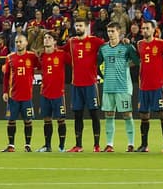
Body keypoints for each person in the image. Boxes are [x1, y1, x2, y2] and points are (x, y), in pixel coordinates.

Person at [97, 25, 138, 152]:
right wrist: (104, 76)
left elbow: (137, 61)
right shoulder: (103, 48)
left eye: (112, 31)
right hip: (108, 87)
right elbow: (97, 64)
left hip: (123, 87)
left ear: (119, 32)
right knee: (109, 115)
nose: (110, 34)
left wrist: (125, 66)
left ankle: (131, 144)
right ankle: (109, 144)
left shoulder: (126, 47)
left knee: (127, 114)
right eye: (108, 31)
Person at [66, 19, 103, 152]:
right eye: (76, 25)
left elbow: (108, 46)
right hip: (76, 84)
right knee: (77, 115)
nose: (78, 27)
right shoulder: (71, 42)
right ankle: (78, 145)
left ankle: (97, 145)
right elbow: (61, 51)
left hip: (90, 84)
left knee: (94, 114)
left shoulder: (94, 41)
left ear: (87, 27)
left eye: (81, 25)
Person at [135, 22, 163, 152]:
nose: (144, 30)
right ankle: (144, 145)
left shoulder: (161, 43)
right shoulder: (139, 44)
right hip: (144, 85)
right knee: (144, 115)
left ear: (153, 30)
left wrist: (160, 64)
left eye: (147, 28)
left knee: (162, 113)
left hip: (157, 85)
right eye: (143, 28)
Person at [1, 34, 37, 152]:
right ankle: (11, 146)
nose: (18, 44)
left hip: (27, 95)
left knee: (28, 120)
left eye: (20, 42)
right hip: (13, 96)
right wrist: (5, 91)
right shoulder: (10, 57)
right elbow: (6, 77)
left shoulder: (32, 57)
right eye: (16, 42)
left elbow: (41, 66)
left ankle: (28, 145)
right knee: (11, 120)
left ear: (26, 43)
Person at [38, 32, 69, 152]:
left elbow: (74, 61)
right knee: (46, 119)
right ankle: (47, 146)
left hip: (58, 93)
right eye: (45, 38)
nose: (46, 40)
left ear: (55, 41)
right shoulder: (41, 56)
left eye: (49, 38)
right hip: (45, 93)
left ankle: (61, 146)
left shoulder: (61, 54)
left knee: (60, 119)